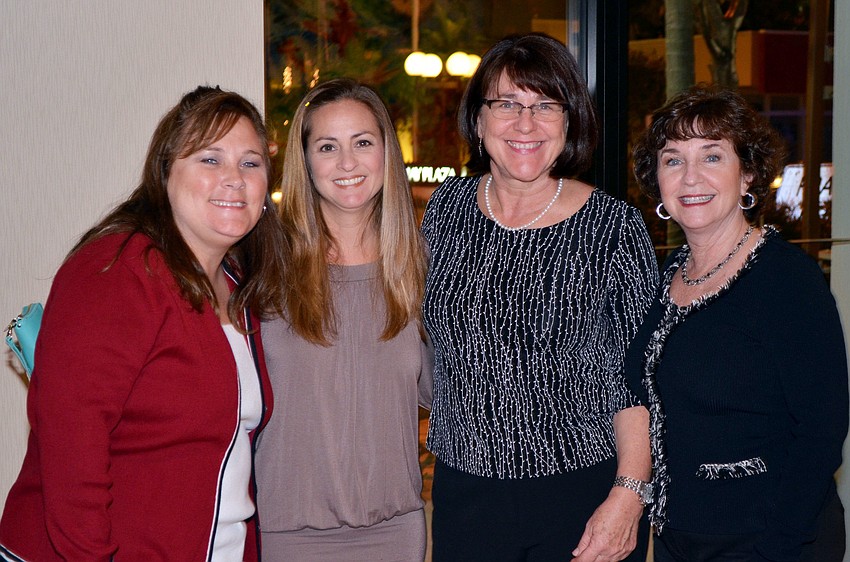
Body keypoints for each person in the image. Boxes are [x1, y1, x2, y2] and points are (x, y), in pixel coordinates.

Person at [0, 86, 285, 561]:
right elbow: (71, 449)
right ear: (165, 171)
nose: (234, 179)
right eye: (210, 159)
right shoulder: (117, 270)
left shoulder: (239, 285)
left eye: (250, 163)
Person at [421, 33, 659, 562]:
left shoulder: (613, 227)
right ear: (478, 121)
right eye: (506, 104)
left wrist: (628, 495)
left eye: (544, 106)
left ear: (569, 122)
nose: (524, 124)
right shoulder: (445, 210)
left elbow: (641, 379)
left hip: (582, 495)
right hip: (465, 494)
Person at [629, 84, 848, 561]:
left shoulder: (787, 280)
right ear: (657, 181)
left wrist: (780, 545)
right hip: (679, 535)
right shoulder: (666, 279)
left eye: (712, 157)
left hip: (768, 538)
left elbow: (821, 431)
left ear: (747, 174)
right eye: (672, 159)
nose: (690, 177)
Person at [254, 78, 432, 561]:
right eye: (328, 147)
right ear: (305, 162)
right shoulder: (264, 266)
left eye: (363, 143)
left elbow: (458, 394)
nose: (347, 163)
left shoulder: (421, 267)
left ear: (386, 154)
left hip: (395, 532)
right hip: (284, 533)